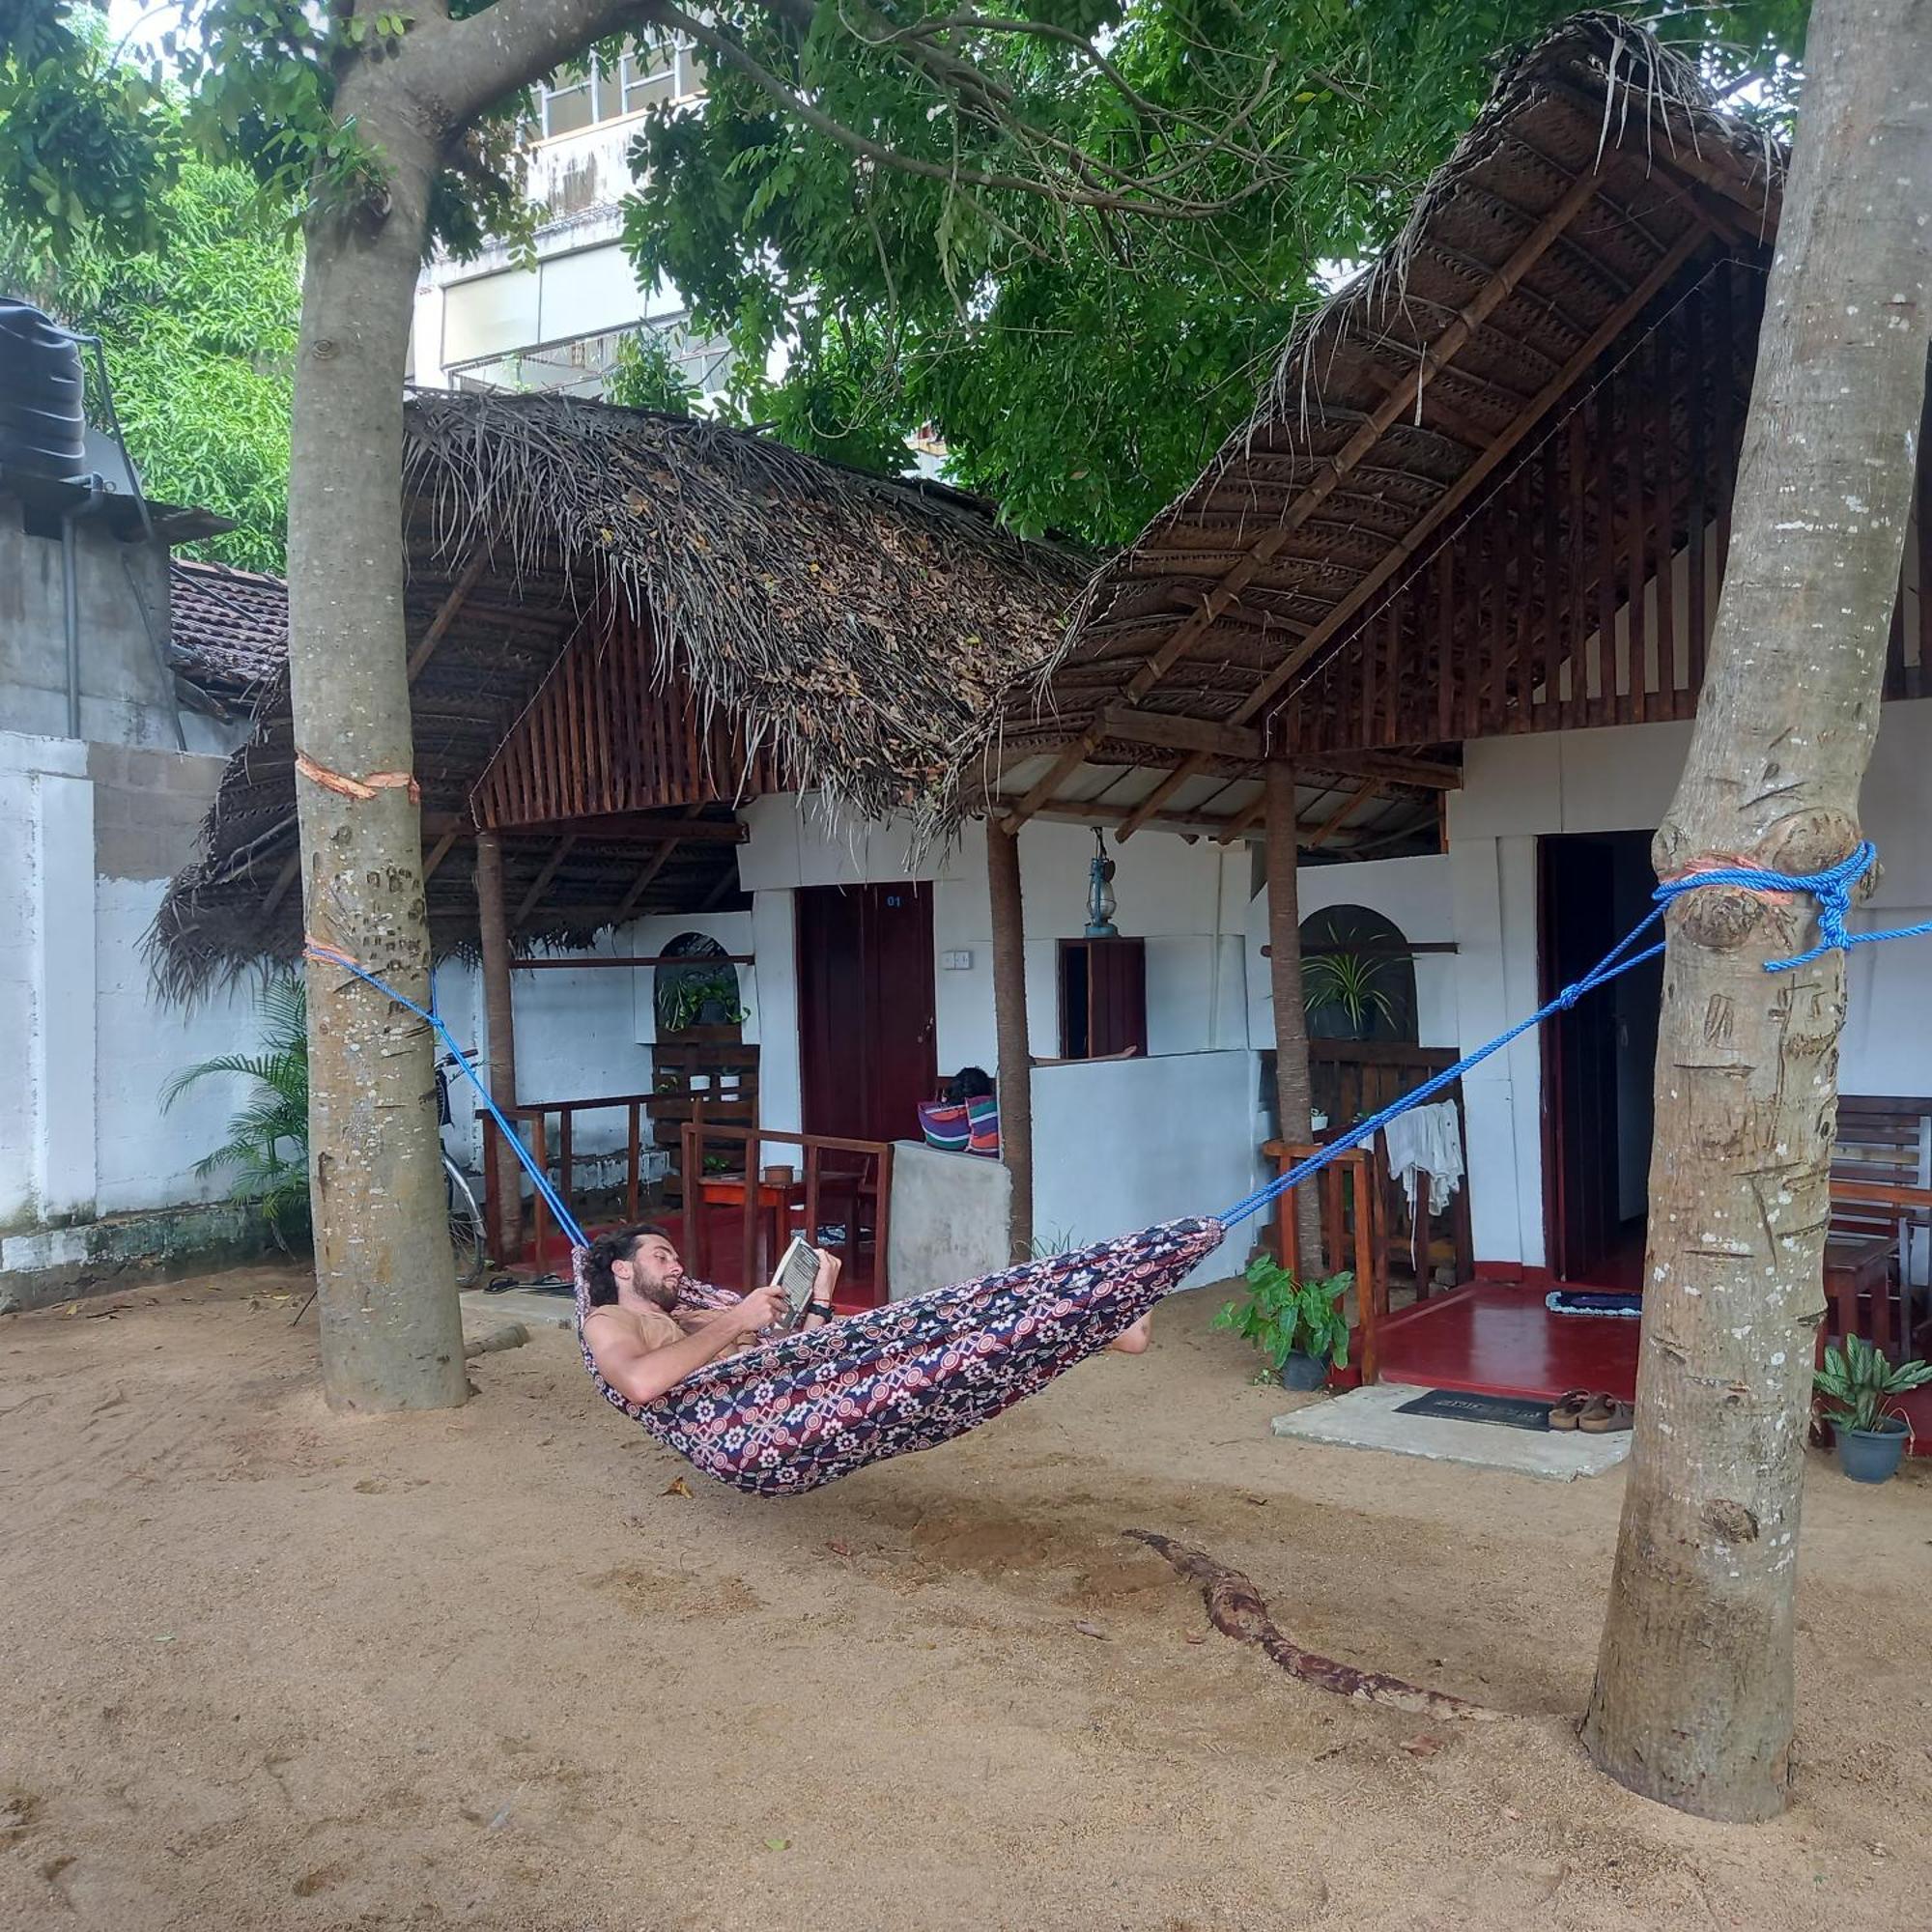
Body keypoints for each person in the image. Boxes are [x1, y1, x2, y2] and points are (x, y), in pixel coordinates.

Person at [581, 1222, 1150, 1407]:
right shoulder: (608, 1322)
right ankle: (1098, 1322)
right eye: (662, 1257)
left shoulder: (690, 1319)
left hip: (809, 1377)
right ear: (624, 1271)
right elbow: (637, 1381)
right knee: (955, 1339)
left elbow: (787, 1354)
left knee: (955, 1319)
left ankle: (1096, 1323)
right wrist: (737, 1320)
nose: (677, 1267)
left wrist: (819, 1299)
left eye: (677, 1257)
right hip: (793, 1400)